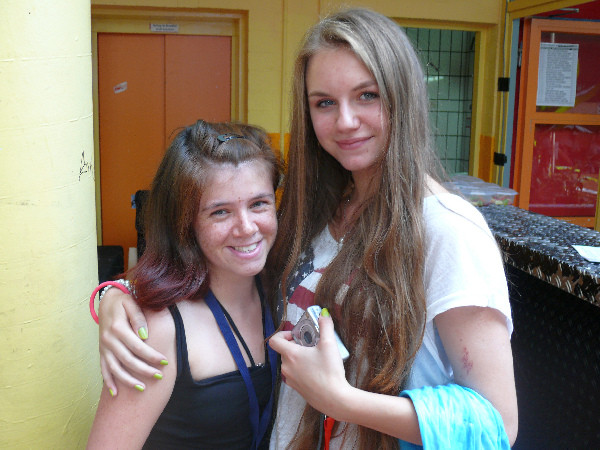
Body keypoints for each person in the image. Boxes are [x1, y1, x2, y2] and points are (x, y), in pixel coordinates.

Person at [93, 8, 518, 449]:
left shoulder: (448, 230)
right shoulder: (319, 211)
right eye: (324, 103)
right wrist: (116, 296)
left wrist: (341, 400)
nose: (345, 121)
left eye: (367, 95)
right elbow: (222, 264)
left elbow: (497, 424)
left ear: (402, 96)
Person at [87, 120, 281, 449]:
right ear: (186, 222)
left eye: (258, 204)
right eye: (220, 212)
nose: (247, 227)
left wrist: (109, 294)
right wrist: (112, 295)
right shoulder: (158, 329)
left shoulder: (283, 293)